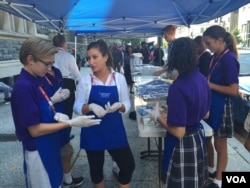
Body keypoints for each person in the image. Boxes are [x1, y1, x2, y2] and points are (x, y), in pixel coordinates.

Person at [10, 37, 101, 188]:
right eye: (47, 63)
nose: (49, 68)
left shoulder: (36, 80)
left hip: (49, 145)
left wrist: (54, 113)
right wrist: (70, 123)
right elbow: (35, 130)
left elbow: (41, 108)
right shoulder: (23, 87)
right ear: (30, 59)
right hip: (39, 149)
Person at [73, 39, 135, 188]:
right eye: (89, 58)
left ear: (105, 57)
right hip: (92, 131)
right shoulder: (86, 81)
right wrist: (90, 107)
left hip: (114, 129)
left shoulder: (119, 79)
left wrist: (119, 106)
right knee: (96, 172)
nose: (91, 62)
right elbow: (77, 107)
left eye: (95, 57)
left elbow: (127, 104)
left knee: (128, 166)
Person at [150, 37, 211, 188]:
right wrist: (174, 111)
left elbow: (178, 132)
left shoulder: (177, 87)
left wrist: (158, 117)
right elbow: (205, 114)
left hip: (182, 145)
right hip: (197, 138)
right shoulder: (202, 79)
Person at [203, 25, 239, 188]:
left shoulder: (228, 59)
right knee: (208, 138)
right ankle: (210, 168)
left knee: (220, 144)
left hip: (223, 106)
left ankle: (219, 179)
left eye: (209, 43)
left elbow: (233, 90)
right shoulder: (214, 57)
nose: (208, 47)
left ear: (219, 40)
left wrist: (209, 85)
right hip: (212, 104)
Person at [42, 66, 84, 187]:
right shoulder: (37, 75)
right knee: (52, 155)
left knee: (67, 151)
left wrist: (68, 92)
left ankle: (68, 179)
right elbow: (35, 105)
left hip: (61, 116)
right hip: (47, 121)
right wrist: (51, 100)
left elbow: (62, 88)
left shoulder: (57, 71)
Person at [53, 34, 81, 119]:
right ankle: (67, 129)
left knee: (56, 109)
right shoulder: (69, 57)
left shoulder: (50, 56)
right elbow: (76, 74)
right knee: (68, 109)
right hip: (68, 83)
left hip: (53, 82)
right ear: (64, 44)